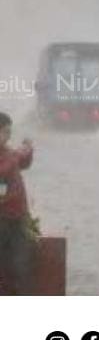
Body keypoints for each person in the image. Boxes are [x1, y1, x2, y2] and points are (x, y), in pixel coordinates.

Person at [0, 112, 35, 295]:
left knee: (21, 264)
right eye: (4, 132)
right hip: (2, 219)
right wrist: (15, 157)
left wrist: (28, 150)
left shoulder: (8, 153)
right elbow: (4, 171)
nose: (8, 136)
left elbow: (23, 163)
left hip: (18, 217)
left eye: (9, 132)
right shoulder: (8, 156)